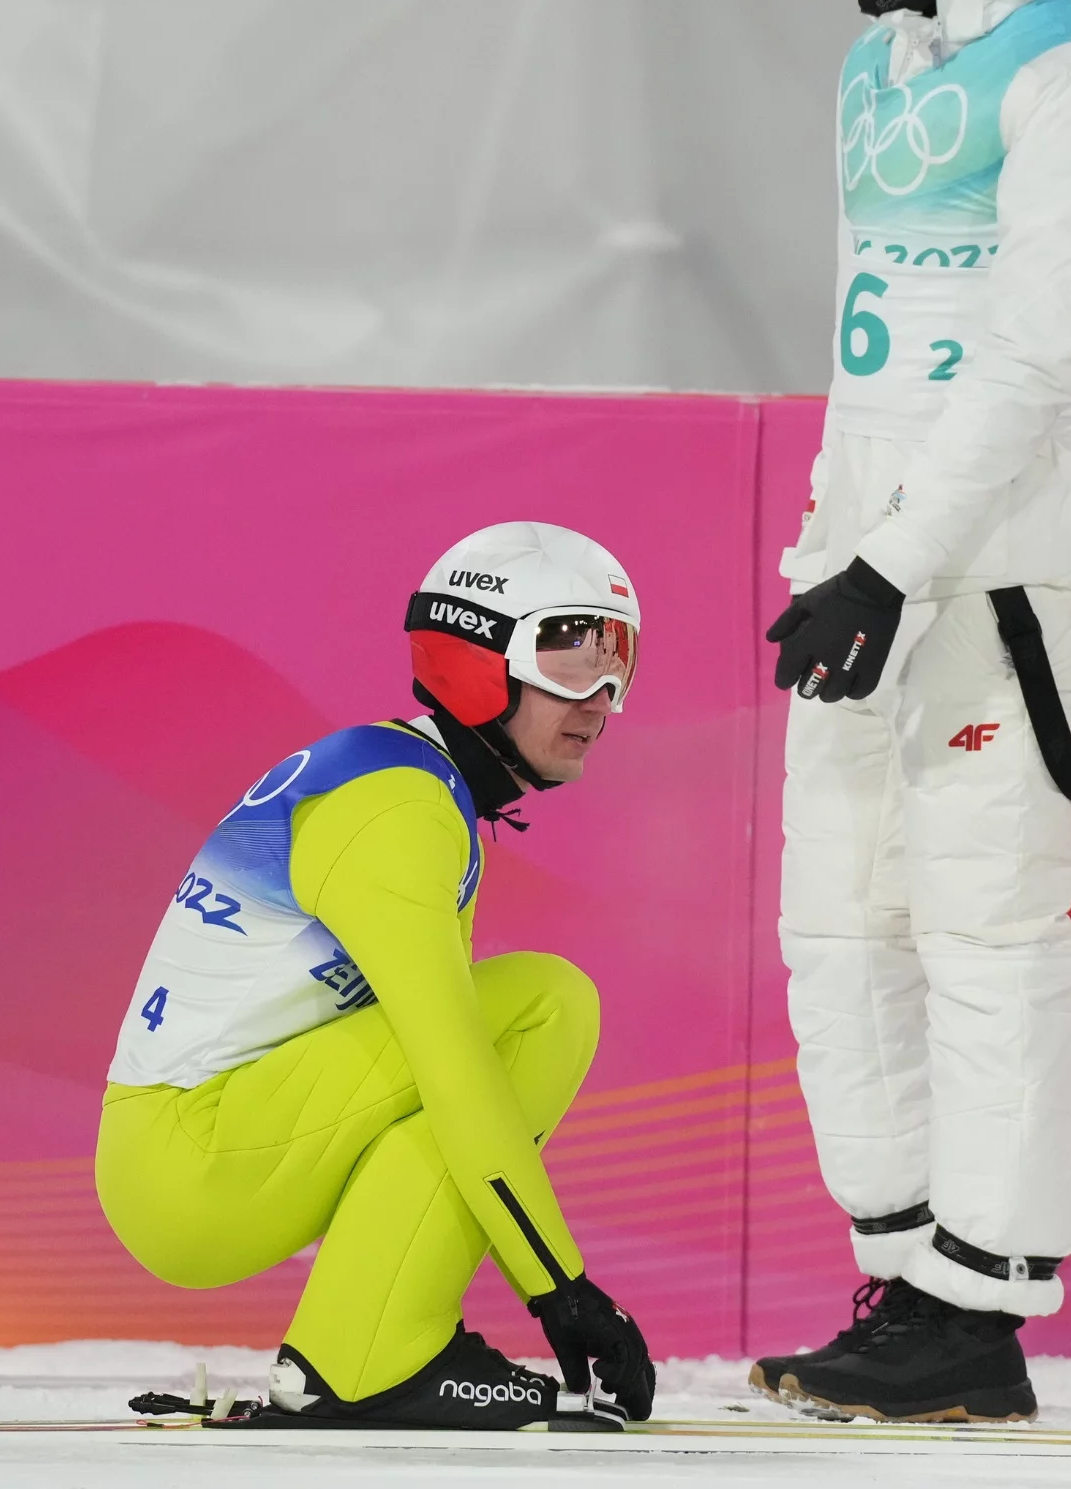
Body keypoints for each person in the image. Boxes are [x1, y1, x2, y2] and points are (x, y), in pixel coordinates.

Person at [759, 0, 1071, 1423]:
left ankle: (977, 1301)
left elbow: (1035, 352)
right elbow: (873, 336)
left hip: (1003, 562)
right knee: (837, 917)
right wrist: (829, 539)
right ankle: (904, 1263)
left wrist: (897, 557)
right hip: (865, 537)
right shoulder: (876, 63)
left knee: (986, 921)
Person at [95, 522, 654, 1430]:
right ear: (477, 656)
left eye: (617, 656)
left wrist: (557, 1284)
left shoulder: (411, 784)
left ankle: (361, 1349)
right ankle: (374, 1356)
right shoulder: (396, 810)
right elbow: (455, 1071)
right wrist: (562, 1288)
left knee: (505, 1022)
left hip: (197, 1148)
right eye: (567, 653)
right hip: (191, 1165)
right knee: (545, 1006)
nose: (600, 696)